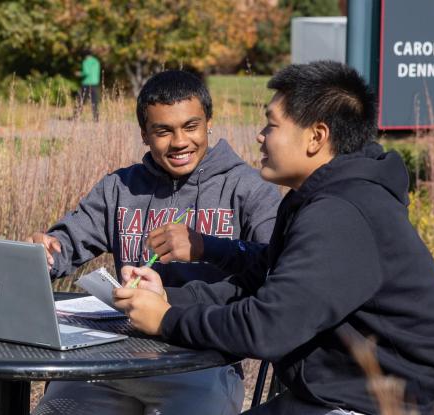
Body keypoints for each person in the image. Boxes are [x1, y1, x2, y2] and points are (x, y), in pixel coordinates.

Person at [113, 61, 434, 415]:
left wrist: (167, 320)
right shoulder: (316, 199)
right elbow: (255, 285)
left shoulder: (342, 213)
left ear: (316, 137)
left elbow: (268, 328)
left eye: (271, 125)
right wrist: (165, 298)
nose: (260, 135)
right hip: (338, 396)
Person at [31, 70, 281, 415]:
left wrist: (207, 247)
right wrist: (46, 253)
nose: (179, 142)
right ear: (145, 135)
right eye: (163, 131)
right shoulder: (119, 187)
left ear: (209, 122)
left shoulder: (249, 188)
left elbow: (277, 265)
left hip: (201, 363)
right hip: (111, 356)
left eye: (190, 126)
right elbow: (68, 242)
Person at [75, 50, 101, 121]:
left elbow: (86, 72)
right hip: (95, 84)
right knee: (94, 102)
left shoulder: (85, 62)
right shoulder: (96, 62)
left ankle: (76, 116)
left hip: (87, 83)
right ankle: (96, 118)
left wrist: (79, 73)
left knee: (80, 100)